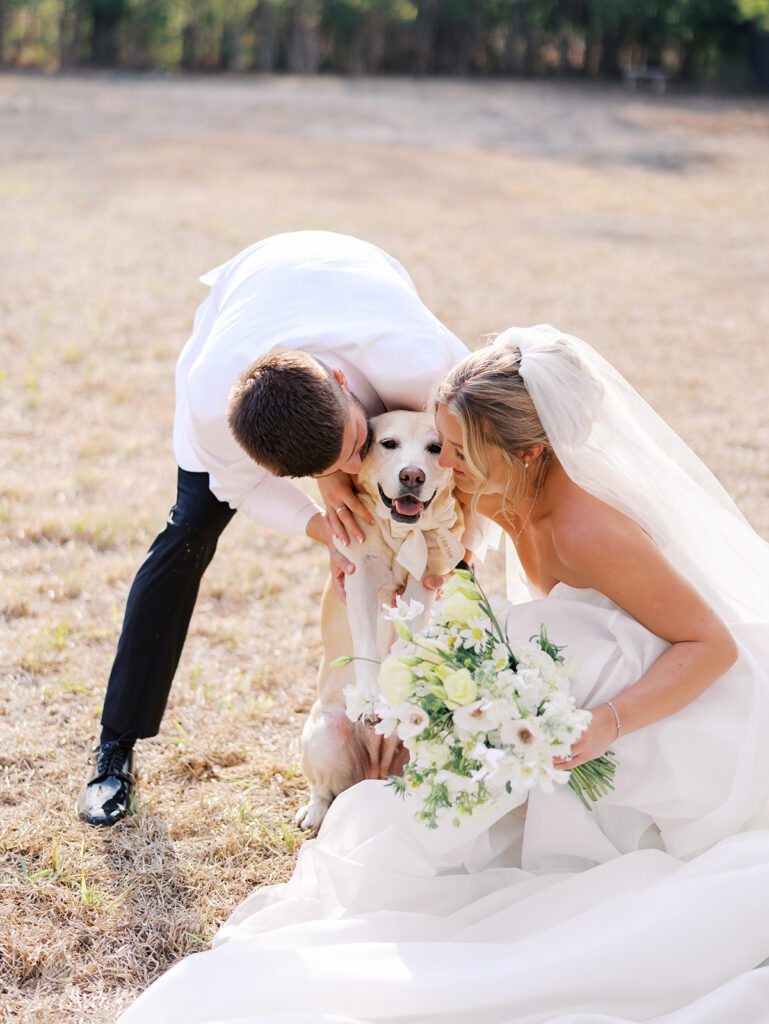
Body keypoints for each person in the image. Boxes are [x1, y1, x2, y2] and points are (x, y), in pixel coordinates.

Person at [118, 325, 769, 1024]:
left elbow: (709, 646)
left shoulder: (587, 527)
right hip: (568, 688)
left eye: (455, 451)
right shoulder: (493, 491)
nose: (437, 468)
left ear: (528, 452)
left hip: (668, 708)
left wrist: (600, 724)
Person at [77, 230, 469, 827]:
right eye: (324, 469)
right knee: (186, 535)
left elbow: (472, 457)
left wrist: (448, 554)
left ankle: (457, 726)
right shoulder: (212, 403)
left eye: (355, 446)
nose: (347, 470)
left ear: (345, 388)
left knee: (445, 549)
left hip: (354, 284)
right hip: (251, 301)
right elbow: (239, 485)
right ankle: (115, 746)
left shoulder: (421, 363)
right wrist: (324, 521)